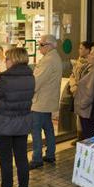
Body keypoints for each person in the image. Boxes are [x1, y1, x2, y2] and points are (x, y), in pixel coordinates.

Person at [0, 47, 35, 187]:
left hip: (5, 125)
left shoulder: (6, 79)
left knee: (6, 162)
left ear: (13, 60)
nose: (5, 61)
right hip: (22, 124)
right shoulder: (31, 77)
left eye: (7, 59)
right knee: (22, 160)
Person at [29, 33, 62, 168]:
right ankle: (50, 154)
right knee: (48, 128)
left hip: (40, 102)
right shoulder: (55, 57)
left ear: (49, 46)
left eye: (41, 45)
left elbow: (36, 82)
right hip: (47, 101)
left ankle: (37, 158)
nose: (39, 47)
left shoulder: (48, 60)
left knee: (36, 130)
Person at [74, 45, 94, 140]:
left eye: (92, 54)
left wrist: (81, 104)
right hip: (86, 111)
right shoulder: (92, 68)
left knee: (90, 137)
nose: (89, 55)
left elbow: (90, 92)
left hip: (87, 112)